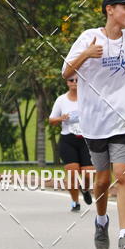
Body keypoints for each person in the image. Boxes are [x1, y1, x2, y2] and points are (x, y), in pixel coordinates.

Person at [63, 0, 125, 249]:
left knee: (123, 175)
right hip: (95, 122)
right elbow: (66, 72)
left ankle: (124, 235)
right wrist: (86, 54)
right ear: (110, 9)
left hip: (124, 119)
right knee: (103, 180)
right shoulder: (89, 37)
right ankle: (101, 220)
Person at [49, 77, 94, 211]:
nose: (74, 82)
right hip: (68, 139)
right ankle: (75, 202)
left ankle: (85, 189)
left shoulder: (87, 98)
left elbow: (97, 114)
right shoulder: (61, 100)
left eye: (77, 80)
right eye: (71, 80)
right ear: (67, 83)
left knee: (88, 173)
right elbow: (51, 120)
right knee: (73, 174)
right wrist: (62, 118)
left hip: (86, 139)